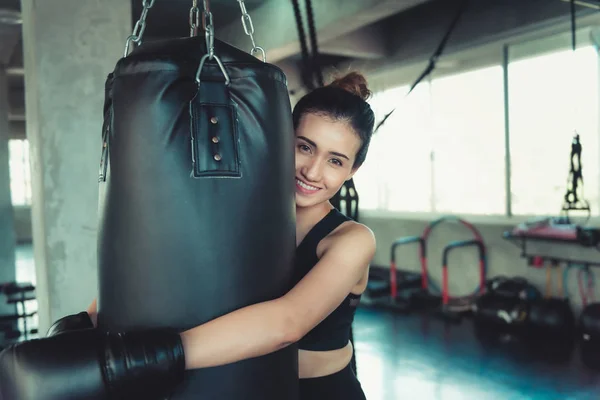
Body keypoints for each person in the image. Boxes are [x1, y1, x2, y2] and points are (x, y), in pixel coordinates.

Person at [0, 71, 376, 400]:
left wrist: (133, 363)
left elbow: (287, 323)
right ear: (280, 139)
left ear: (354, 170)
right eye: (304, 147)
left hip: (323, 392)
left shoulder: (351, 240)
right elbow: (167, 264)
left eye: (335, 160)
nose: (312, 170)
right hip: (243, 387)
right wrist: (85, 324)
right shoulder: (240, 210)